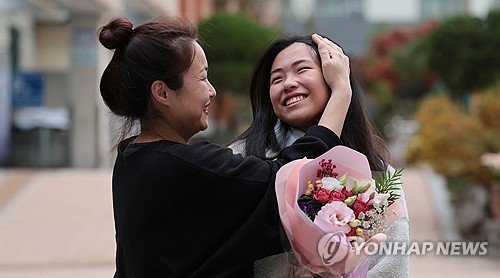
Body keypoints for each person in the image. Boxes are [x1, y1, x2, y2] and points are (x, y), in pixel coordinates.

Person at [98, 16, 353, 278]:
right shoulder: (184, 166)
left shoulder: (133, 158)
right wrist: (342, 92)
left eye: (302, 70)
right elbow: (292, 181)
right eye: (202, 78)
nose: (212, 91)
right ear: (162, 93)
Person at [228, 35, 410, 277]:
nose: (288, 83)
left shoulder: (378, 174)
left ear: (333, 78)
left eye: (302, 69)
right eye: (277, 79)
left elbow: (391, 266)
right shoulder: (241, 159)